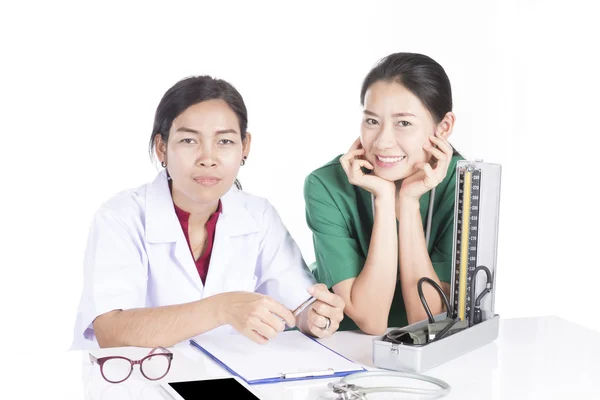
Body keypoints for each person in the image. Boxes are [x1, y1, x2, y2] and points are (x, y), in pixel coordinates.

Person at [72, 75, 345, 349]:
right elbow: (110, 331)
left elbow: (298, 305)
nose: (208, 159)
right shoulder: (121, 217)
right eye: (189, 140)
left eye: (224, 142)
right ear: (162, 147)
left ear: (244, 147)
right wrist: (221, 308)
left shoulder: (258, 215)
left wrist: (317, 317)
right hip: (132, 383)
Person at [304, 52, 462, 335]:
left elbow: (427, 321)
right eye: (372, 121)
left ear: (444, 127)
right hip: (341, 346)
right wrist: (385, 199)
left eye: (403, 123)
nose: (383, 142)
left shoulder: (462, 185)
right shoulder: (326, 185)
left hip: (431, 356)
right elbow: (371, 320)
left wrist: (410, 202)